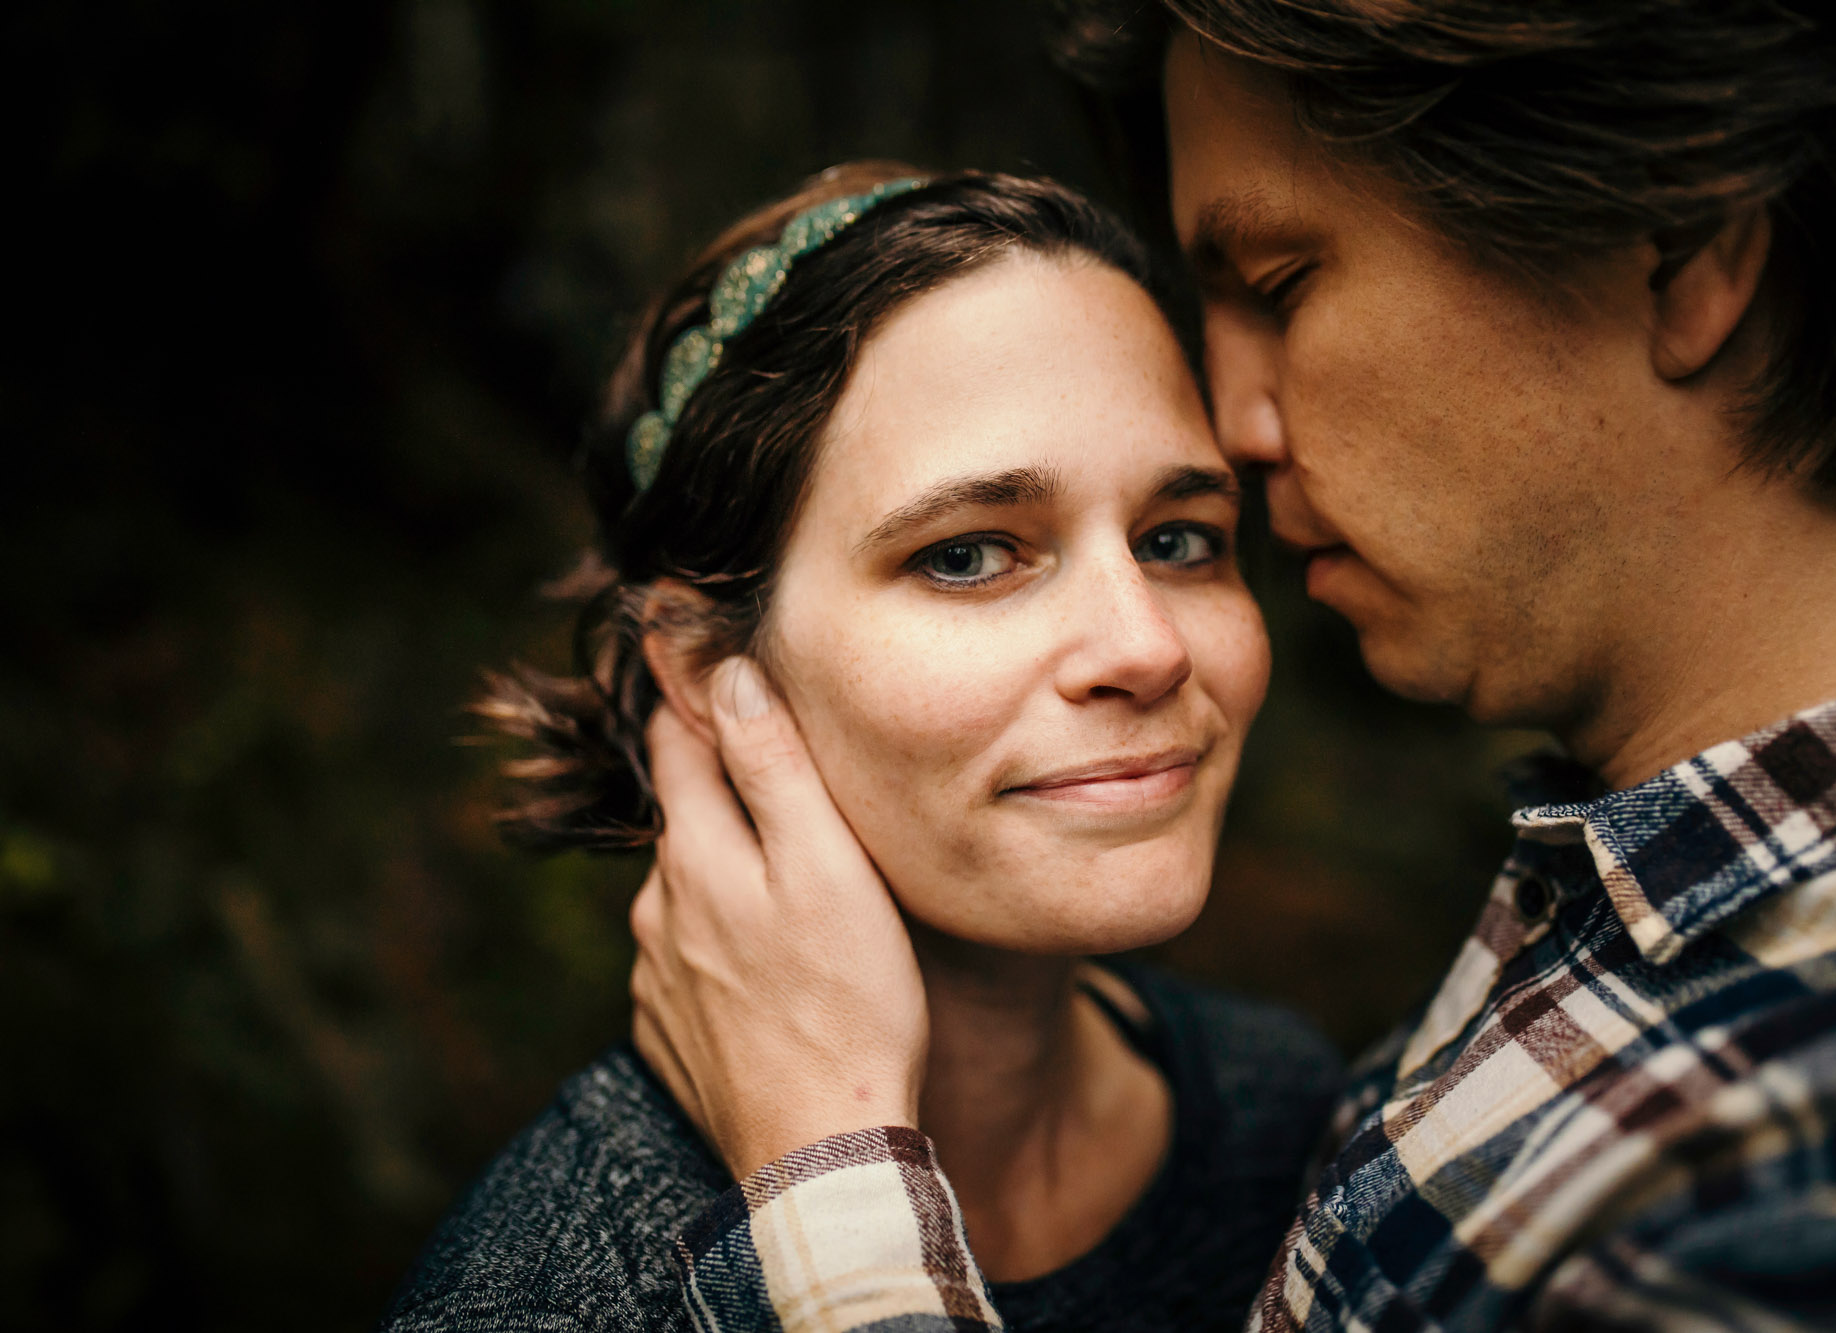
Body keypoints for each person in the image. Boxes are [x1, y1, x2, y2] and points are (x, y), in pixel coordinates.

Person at [625, 2, 1836, 1329]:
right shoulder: (1650, 899)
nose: (1228, 423)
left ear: (1680, 243)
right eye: (970, 555)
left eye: (1282, 284)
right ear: (702, 655)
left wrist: (831, 1183)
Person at [379, 165, 1348, 1333]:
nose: (1145, 647)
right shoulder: (552, 1296)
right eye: (966, 554)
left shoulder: (1290, 1116)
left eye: (1179, 538)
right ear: (700, 668)